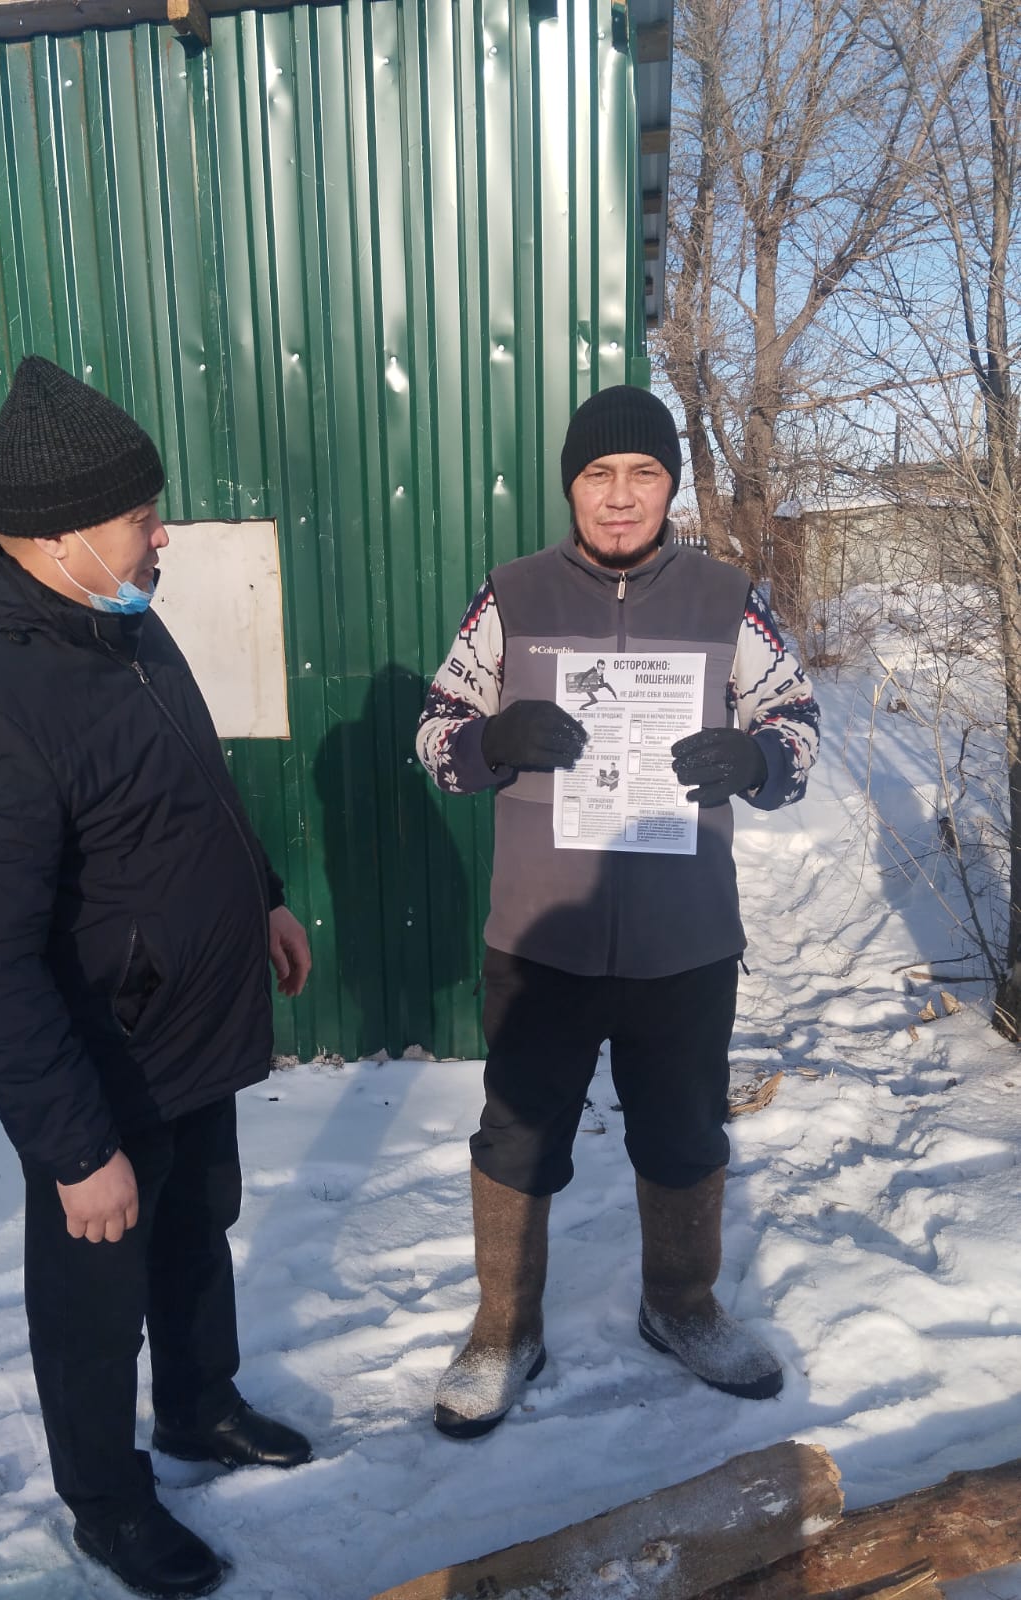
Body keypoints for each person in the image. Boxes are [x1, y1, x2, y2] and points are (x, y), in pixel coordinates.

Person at [0, 356, 313, 1598]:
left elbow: (186, 777)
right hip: (98, 1065)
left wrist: (262, 892)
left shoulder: (113, 612)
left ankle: (198, 1406)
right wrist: (76, 1148)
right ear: (58, 533)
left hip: (188, 1027)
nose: (161, 533)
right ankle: (107, 1503)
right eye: (140, 514)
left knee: (197, 1228)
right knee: (92, 1300)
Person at [415, 384, 820, 1439]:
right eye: (598, 474)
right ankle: (504, 1328)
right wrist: (491, 741)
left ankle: (681, 1305)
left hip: (684, 939)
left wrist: (758, 758)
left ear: (671, 486)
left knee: (683, 1130)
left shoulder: (728, 599)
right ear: (571, 486)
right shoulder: (510, 597)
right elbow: (438, 728)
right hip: (541, 934)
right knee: (516, 1134)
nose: (620, 495)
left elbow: (797, 719)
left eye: (643, 473)